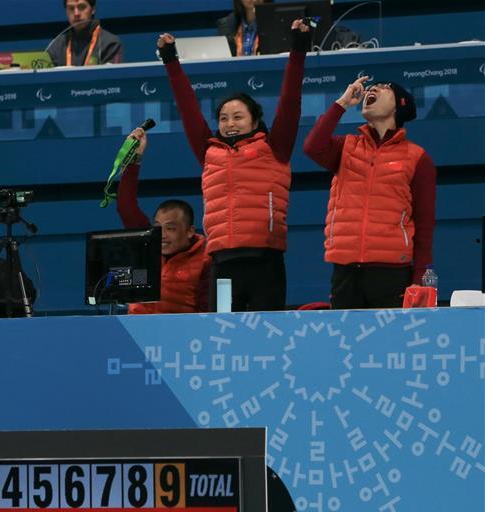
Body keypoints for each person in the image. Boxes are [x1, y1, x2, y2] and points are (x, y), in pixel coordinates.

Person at [156, 20, 310, 312]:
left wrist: (299, 48)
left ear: (255, 121)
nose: (229, 124)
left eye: (238, 117)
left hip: (266, 261)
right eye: (224, 118)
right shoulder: (209, 151)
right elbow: (187, 107)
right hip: (222, 264)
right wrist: (170, 59)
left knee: (267, 331)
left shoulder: (275, 147)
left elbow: (290, 100)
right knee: (224, 331)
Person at [303, 77, 436, 309]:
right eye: (372, 87)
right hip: (345, 270)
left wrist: (419, 278)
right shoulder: (346, 147)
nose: (372, 89)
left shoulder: (417, 158)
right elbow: (312, 147)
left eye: (384, 88)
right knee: (346, 333)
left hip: (392, 272)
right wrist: (342, 104)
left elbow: (424, 224)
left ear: (399, 105)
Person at [117, 128, 211, 314]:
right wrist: (133, 160)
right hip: (134, 330)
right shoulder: (146, 244)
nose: (162, 235)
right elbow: (125, 206)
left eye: (171, 228)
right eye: (158, 227)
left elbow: (206, 312)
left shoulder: (206, 261)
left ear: (190, 231)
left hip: (180, 331)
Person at [46, 0, 123, 67]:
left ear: (93, 9)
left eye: (82, 7)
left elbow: (111, 78)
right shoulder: (56, 46)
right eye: (71, 8)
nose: (76, 13)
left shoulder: (110, 43)